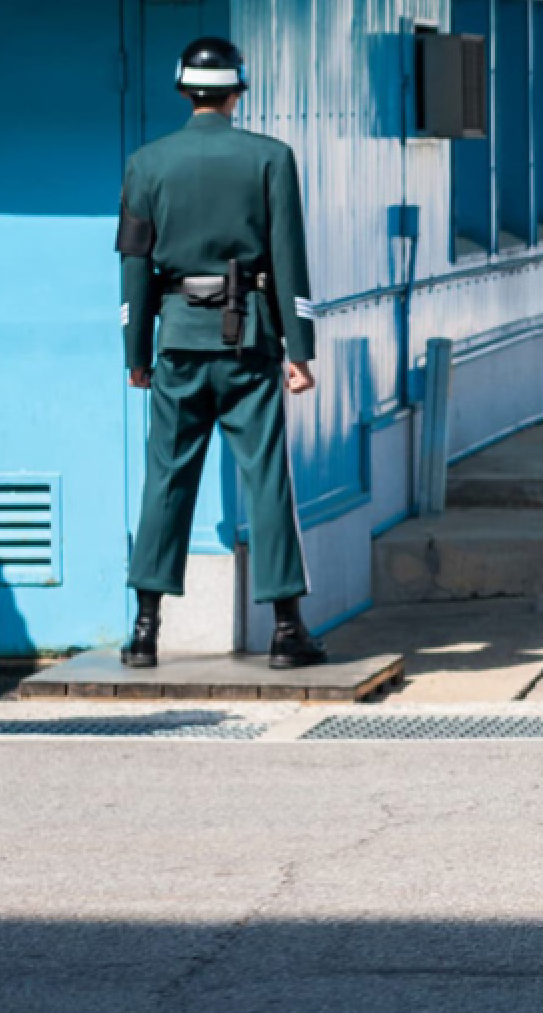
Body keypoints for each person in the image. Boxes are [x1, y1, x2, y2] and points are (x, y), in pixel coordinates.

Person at [116, 37, 326, 671]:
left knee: (166, 480)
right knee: (265, 478)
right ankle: (287, 631)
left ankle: (145, 629)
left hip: (177, 340)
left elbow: (134, 268)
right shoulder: (272, 159)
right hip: (251, 341)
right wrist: (301, 348)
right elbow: (289, 259)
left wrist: (137, 350)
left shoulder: (145, 165)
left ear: (184, 90)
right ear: (238, 91)